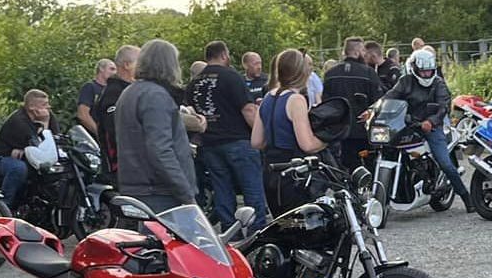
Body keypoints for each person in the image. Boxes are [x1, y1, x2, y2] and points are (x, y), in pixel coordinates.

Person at [114, 39, 199, 213]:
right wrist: (186, 194)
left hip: (138, 186)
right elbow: (160, 150)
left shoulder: (129, 92)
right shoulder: (156, 96)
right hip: (159, 191)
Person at [192, 41, 268, 230]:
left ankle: (229, 233)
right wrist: (261, 137)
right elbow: (248, 109)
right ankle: (257, 233)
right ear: (224, 55)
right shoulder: (231, 76)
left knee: (222, 190)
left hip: (209, 143)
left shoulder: (195, 82)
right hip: (238, 141)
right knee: (252, 190)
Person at [381, 50, 470, 200]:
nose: (426, 74)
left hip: (431, 127)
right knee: (388, 148)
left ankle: (465, 196)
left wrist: (431, 121)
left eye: (429, 71)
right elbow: (389, 97)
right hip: (408, 124)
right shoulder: (405, 81)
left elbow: (443, 106)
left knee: (445, 163)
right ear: (414, 69)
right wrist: (373, 110)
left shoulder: (438, 83)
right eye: (423, 71)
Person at [253, 49, 331, 213]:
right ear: (301, 71)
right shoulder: (296, 100)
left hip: (270, 170)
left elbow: (257, 141)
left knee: (281, 222)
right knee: (300, 223)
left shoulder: (267, 97)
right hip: (293, 171)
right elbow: (307, 144)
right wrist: (328, 139)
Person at [0, 90, 55, 208]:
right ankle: (5, 206)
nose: (48, 107)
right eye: (44, 105)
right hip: (2, 157)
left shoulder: (49, 115)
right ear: (31, 107)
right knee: (19, 168)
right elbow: (37, 145)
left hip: (29, 158)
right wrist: (45, 124)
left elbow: (55, 139)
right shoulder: (19, 120)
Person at [96, 44, 140, 169]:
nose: (145, 67)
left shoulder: (134, 90)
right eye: (141, 62)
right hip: (122, 167)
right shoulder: (114, 93)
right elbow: (115, 129)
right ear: (127, 65)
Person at [76, 58, 116, 136]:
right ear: (101, 68)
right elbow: (82, 114)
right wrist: (99, 133)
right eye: (111, 69)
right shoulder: (90, 87)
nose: (114, 72)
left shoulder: (112, 90)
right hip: (93, 138)